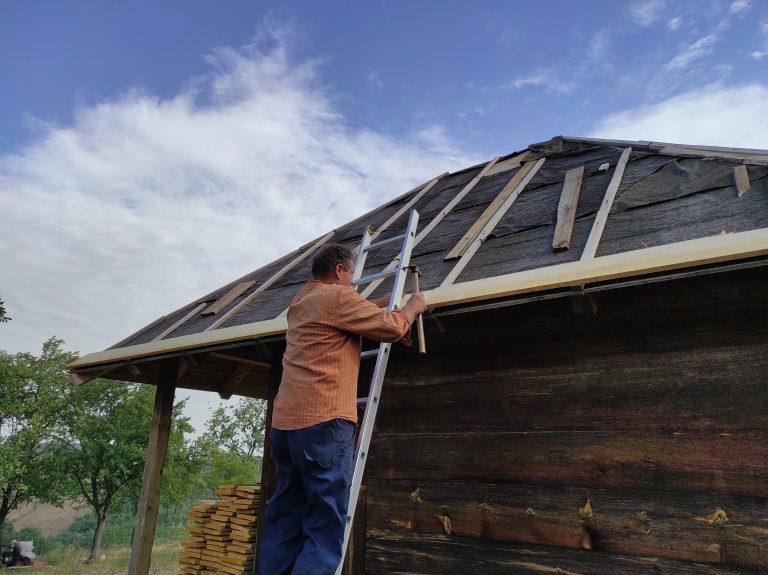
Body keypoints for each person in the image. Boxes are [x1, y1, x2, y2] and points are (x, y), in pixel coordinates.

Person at [258, 243, 427, 575]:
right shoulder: (336, 298)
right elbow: (391, 328)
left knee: (285, 518)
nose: (352, 281)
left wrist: (383, 308)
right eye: (351, 274)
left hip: (286, 427)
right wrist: (410, 309)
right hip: (323, 424)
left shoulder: (300, 303)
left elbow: (355, 311)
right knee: (324, 526)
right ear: (339, 269)